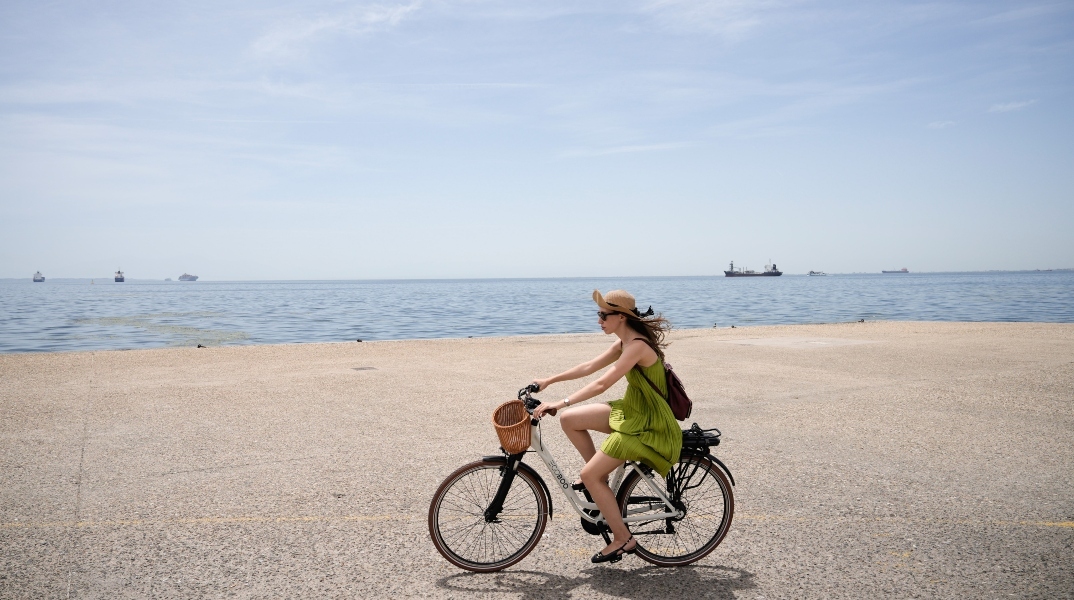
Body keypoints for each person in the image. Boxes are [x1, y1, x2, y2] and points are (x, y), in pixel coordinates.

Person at [532, 289, 682, 564]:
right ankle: (599, 481)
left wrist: (560, 402)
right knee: (570, 419)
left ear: (621, 317)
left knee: (588, 474)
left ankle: (623, 538)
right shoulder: (624, 342)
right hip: (633, 410)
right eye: (598, 314)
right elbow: (589, 367)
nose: (599, 320)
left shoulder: (637, 346)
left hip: (648, 423)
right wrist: (549, 380)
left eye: (603, 315)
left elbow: (602, 383)